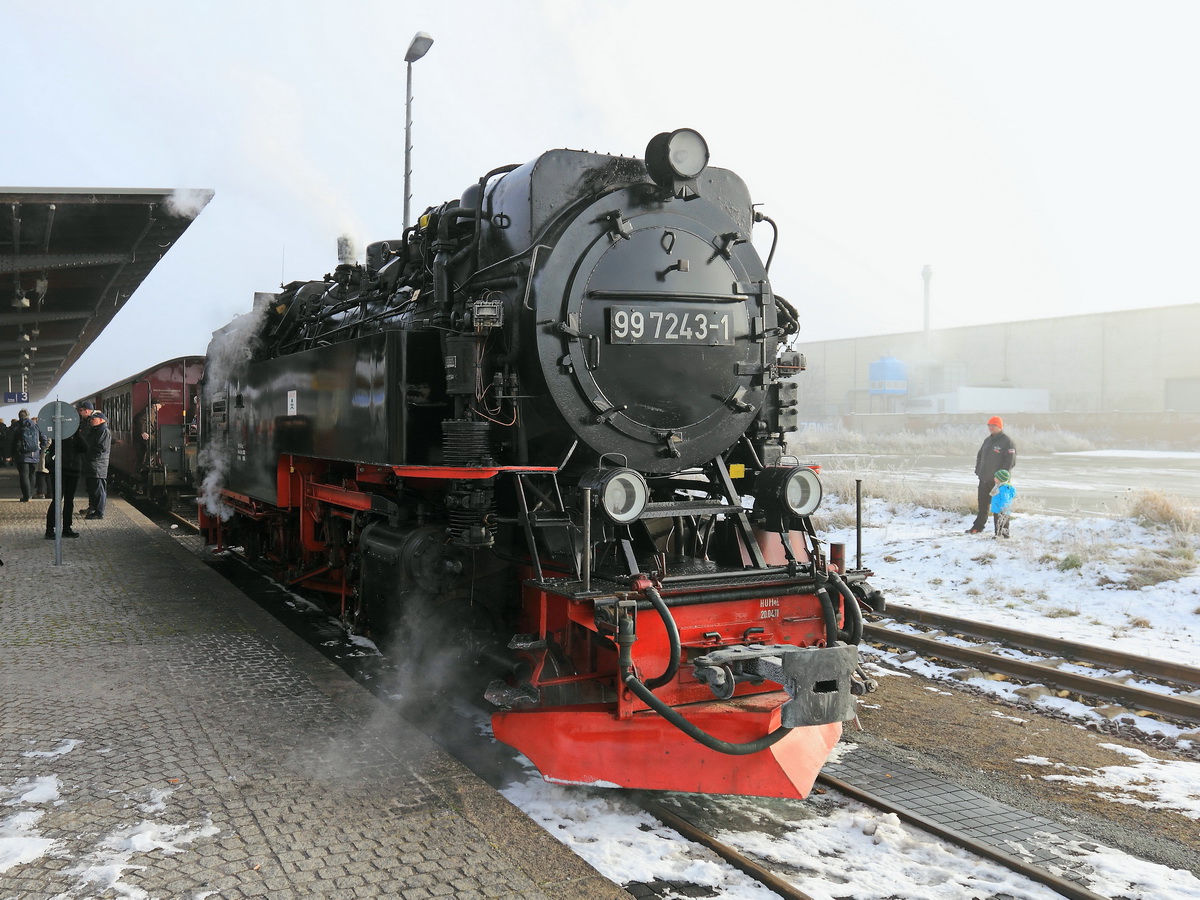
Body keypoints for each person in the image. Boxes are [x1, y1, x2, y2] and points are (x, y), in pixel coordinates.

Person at [967, 415, 1016, 533]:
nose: (990, 428)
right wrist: (978, 470)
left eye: (993, 426)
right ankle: (978, 527)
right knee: (982, 506)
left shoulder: (1007, 441)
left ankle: (1002, 532)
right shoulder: (987, 441)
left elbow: (1010, 461)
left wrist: (999, 477)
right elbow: (980, 456)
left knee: (1000, 507)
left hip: (999, 483)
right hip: (984, 479)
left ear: (999, 426)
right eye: (989, 425)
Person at [44, 426, 86, 539]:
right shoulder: (58, 436)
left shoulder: (76, 437)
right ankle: (50, 529)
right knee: (58, 499)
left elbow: (85, 448)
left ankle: (66, 528)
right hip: (60, 471)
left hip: (72, 471)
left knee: (68, 500)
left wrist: (77, 434)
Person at [9, 409, 46, 502]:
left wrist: (10, 454)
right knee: (32, 475)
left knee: (23, 476)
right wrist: (40, 449)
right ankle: (30, 493)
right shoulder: (36, 425)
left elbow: (10, 441)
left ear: (19, 416)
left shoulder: (16, 426)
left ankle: (26, 496)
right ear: (28, 416)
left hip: (21, 455)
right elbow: (44, 439)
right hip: (34, 454)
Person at [990, 469, 1016, 538]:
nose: (994, 478)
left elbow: (1005, 500)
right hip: (998, 509)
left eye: (996, 477)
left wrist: (1003, 508)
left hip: (1002, 510)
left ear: (1001, 479)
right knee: (997, 523)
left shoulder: (1004, 489)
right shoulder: (998, 486)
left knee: (1003, 523)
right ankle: (998, 534)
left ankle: (1004, 535)